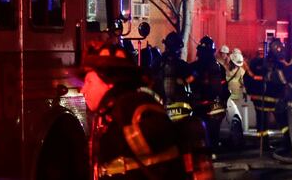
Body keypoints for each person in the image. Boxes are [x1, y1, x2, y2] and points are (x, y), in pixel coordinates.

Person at [82, 42, 212, 179]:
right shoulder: (113, 111)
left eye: (89, 82)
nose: (83, 90)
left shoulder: (133, 107)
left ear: (110, 82)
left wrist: (115, 142)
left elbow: (160, 137)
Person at [187, 36, 229, 150]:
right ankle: (213, 154)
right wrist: (223, 104)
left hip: (199, 105)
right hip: (216, 106)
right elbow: (225, 89)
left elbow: (187, 85)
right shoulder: (220, 67)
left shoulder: (194, 67)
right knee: (213, 134)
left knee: (200, 135)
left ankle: (204, 156)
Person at [155, 32, 193, 122]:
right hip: (179, 107)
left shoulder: (158, 62)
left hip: (161, 106)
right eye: (179, 48)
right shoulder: (182, 65)